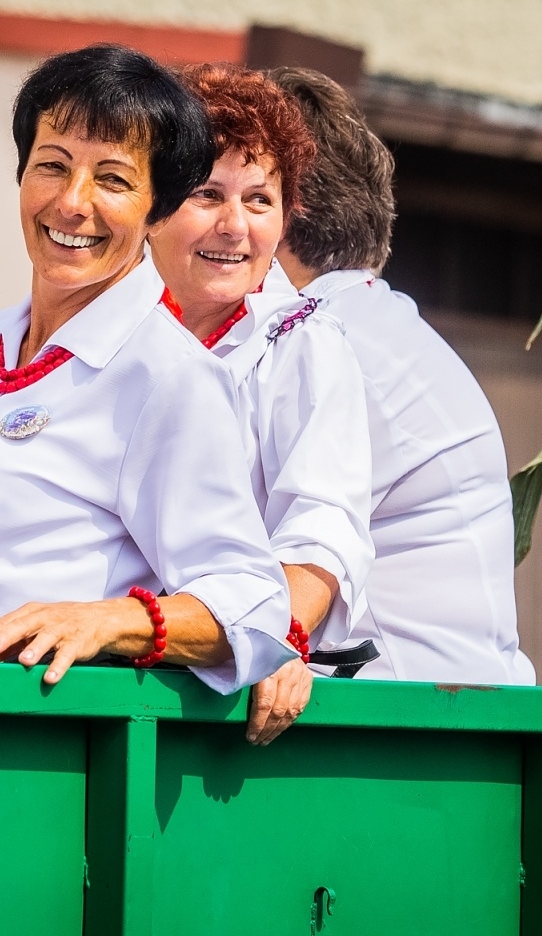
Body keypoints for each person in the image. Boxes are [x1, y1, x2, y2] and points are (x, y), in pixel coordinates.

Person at [0, 45, 297, 695]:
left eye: (113, 179)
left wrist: (107, 621)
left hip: (10, 709)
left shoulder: (169, 375)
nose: (72, 201)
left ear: (158, 209)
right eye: (51, 165)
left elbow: (253, 604)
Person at [268, 66, 534, 685]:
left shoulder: (312, 338)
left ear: (275, 213)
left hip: (393, 734)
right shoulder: (377, 322)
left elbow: (226, 569)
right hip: (456, 717)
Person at [149, 63, 376, 743]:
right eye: (207, 193)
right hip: (119, 658)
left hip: (231, 692)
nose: (234, 226)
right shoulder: (109, 327)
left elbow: (320, 532)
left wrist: (273, 638)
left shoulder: (305, 344)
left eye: (259, 200)